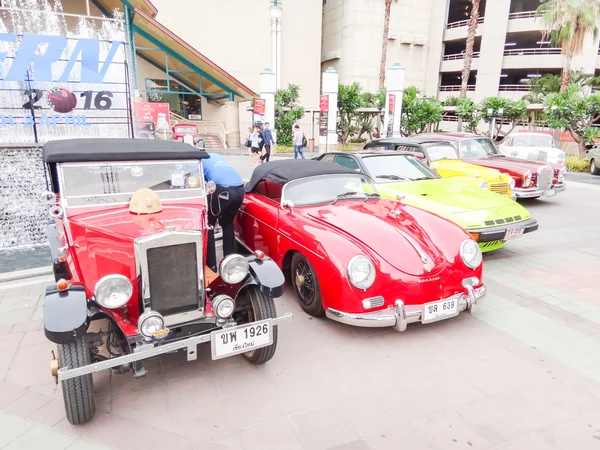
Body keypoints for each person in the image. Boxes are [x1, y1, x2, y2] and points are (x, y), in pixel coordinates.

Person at [202, 153, 245, 273]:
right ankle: (229, 262)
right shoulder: (218, 156)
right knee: (227, 223)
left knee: (209, 225)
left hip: (222, 189)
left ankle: (211, 266)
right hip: (240, 189)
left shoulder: (198, 160)